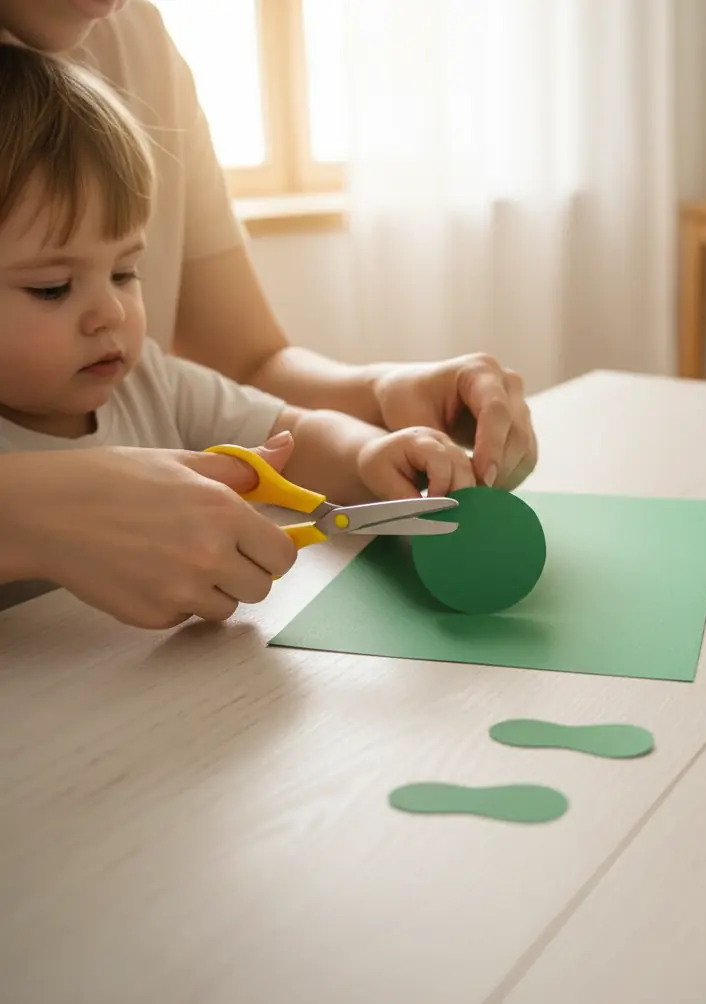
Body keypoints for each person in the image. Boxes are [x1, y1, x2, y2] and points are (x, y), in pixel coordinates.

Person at [0, 0, 537, 629]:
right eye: (51, 287)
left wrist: (374, 452)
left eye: (126, 272)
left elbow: (289, 430)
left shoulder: (153, 380)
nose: (110, 310)